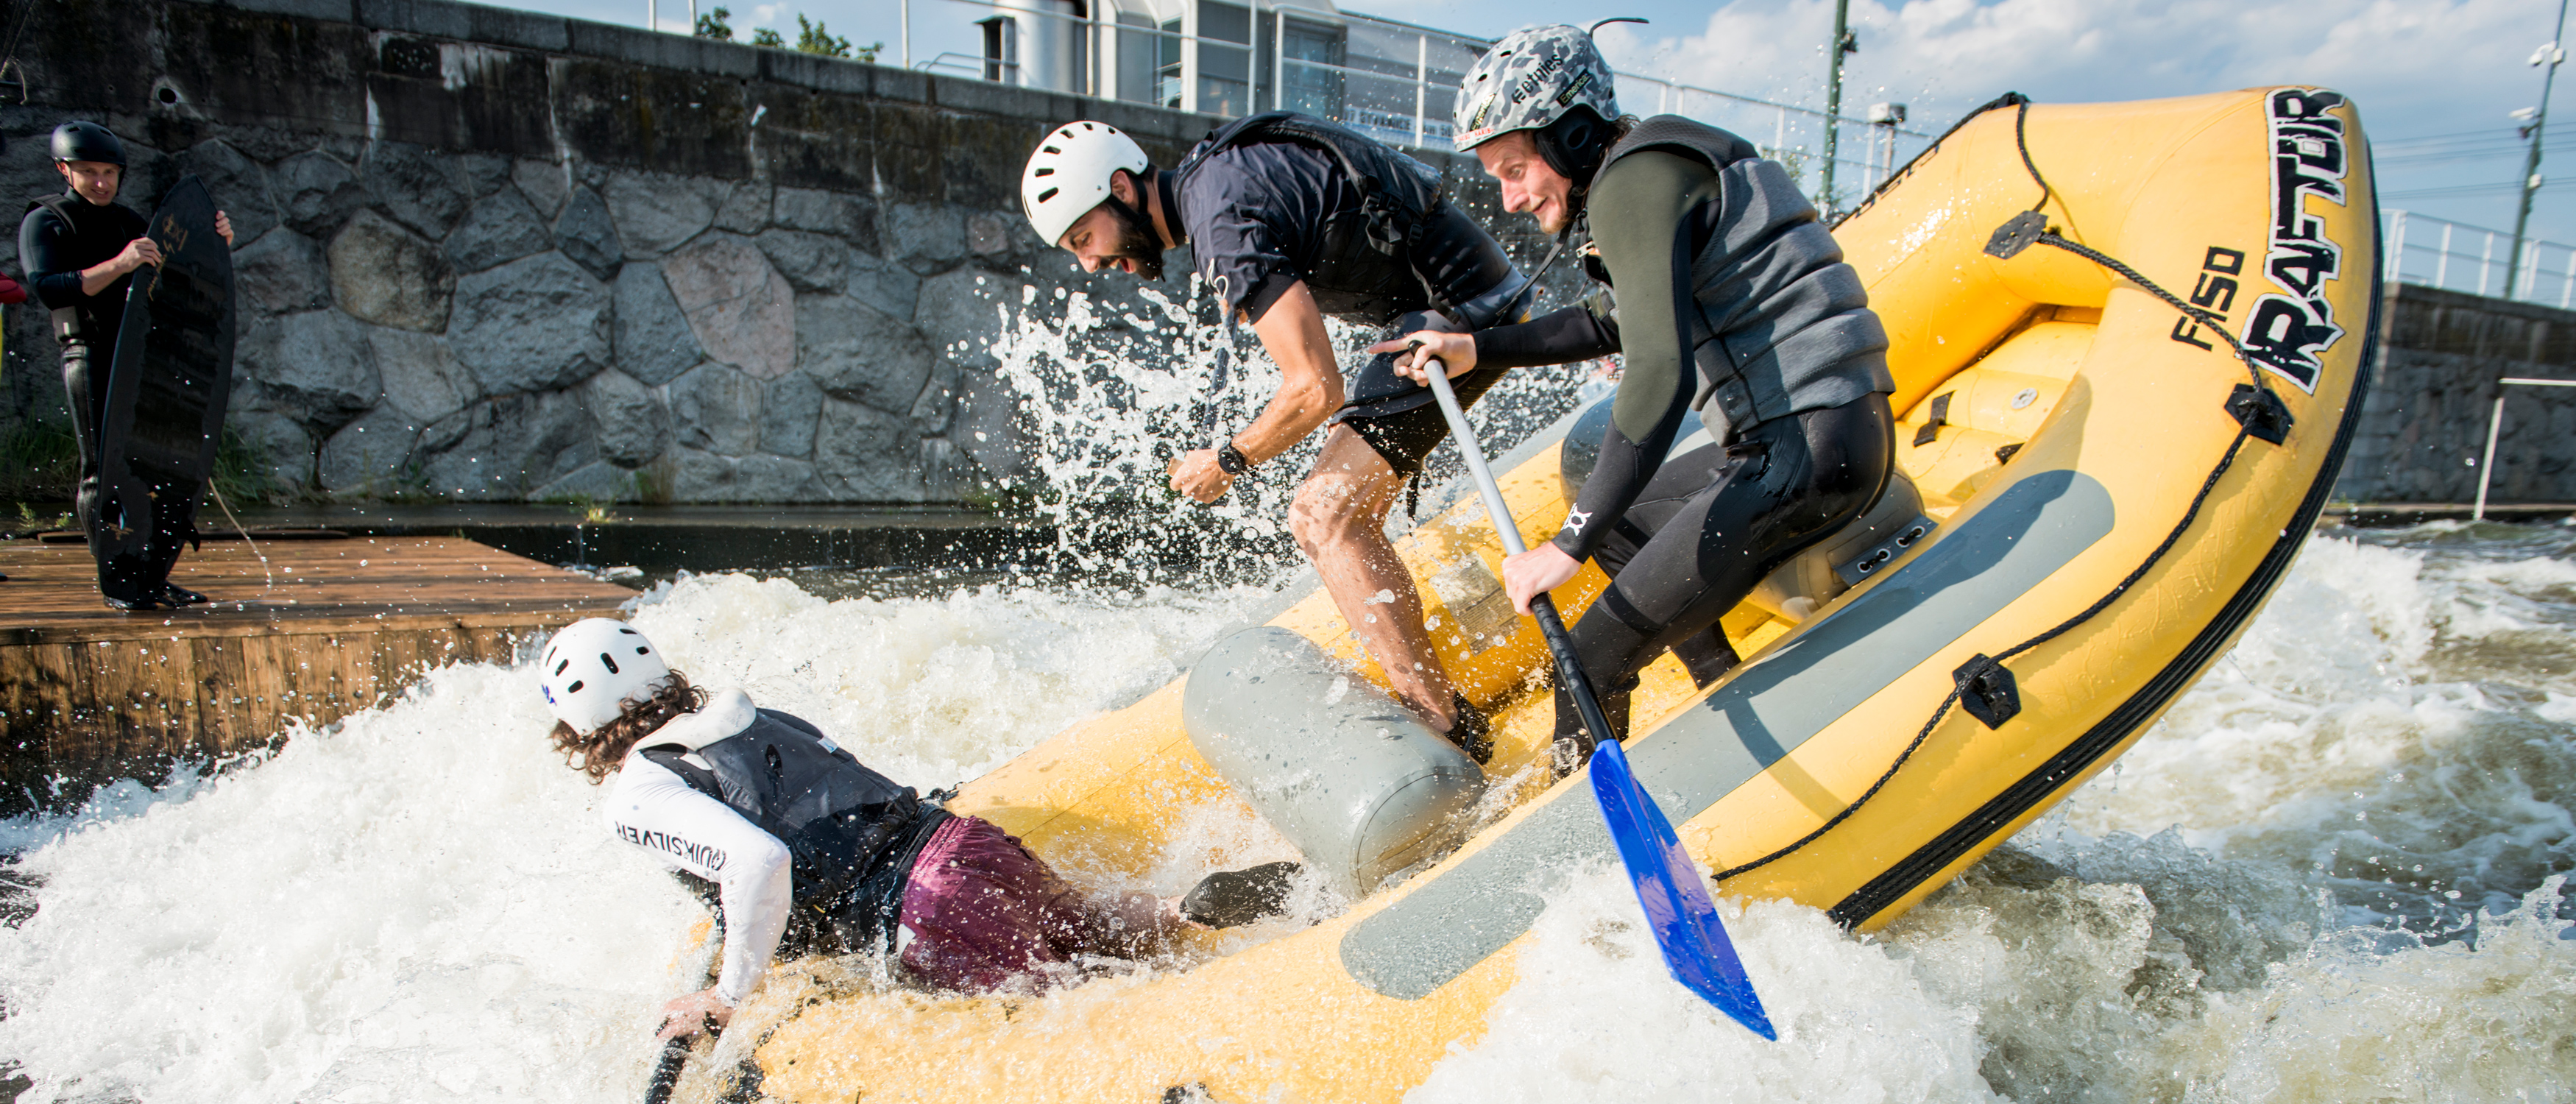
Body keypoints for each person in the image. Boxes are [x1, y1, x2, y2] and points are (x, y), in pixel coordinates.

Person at [1382, 24, 1895, 771]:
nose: (1510, 197)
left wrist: (1566, 546)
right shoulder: (1649, 171)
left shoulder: (1633, 181)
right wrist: (1477, 347)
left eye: (1516, 168)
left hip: (1804, 454)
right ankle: (1724, 693)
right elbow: (1612, 323)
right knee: (1627, 528)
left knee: (1584, 661)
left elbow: (1659, 370)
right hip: (1807, 444)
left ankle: (1579, 862)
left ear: (1574, 132)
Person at [1019, 116, 1538, 762]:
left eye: (1084, 238)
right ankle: (1434, 689)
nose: (1092, 262)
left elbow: (1314, 388)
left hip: (1462, 317)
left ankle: (1447, 729)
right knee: (1336, 501)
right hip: (1459, 303)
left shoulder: (1222, 220)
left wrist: (1228, 461)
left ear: (1122, 188)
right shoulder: (1218, 186)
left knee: (1323, 517)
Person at [539, 619, 1298, 1036]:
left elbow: (758, 860)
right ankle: (1187, 908)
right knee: (1098, 928)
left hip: (924, 905)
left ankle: (1237, 1029)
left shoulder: (636, 788)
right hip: (959, 840)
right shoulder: (743, 711)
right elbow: (838, 777)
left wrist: (727, 995)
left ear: (577, 731)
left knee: (1084, 1015)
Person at [15, 121, 235, 611]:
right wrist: (118, 264)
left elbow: (180, 281)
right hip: (90, 353)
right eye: (88, 172)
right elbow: (49, 287)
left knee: (158, 468)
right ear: (63, 170)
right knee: (105, 469)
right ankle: (118, 578)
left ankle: (152, 575)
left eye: (109, 172)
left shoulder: (131, 221)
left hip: (142, 358)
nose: (100, 182)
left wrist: (214, 240)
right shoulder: (46, 221)